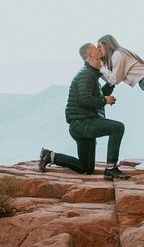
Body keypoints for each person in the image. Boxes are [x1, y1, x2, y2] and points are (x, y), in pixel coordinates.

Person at [39, 43, 130, 180]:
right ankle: (111, 168)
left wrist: (111, 83)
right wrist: (105, 100)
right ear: (88, 58)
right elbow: (84, 100)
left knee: (85, 168)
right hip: (82, 124)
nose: (100, 52)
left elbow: (96, 96)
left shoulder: (91, 75)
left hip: (83, 124)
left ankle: (50, 156)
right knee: (118, 128)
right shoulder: (86, 75)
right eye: (96, 51)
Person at [97, 34, 144, 170]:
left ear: (106, 44)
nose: (99, 50)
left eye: (99, 47)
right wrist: (101, 70)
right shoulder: (120, 53)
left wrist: (100, 67)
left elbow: (114, 80)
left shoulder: (118, 54)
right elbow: (113, 78)